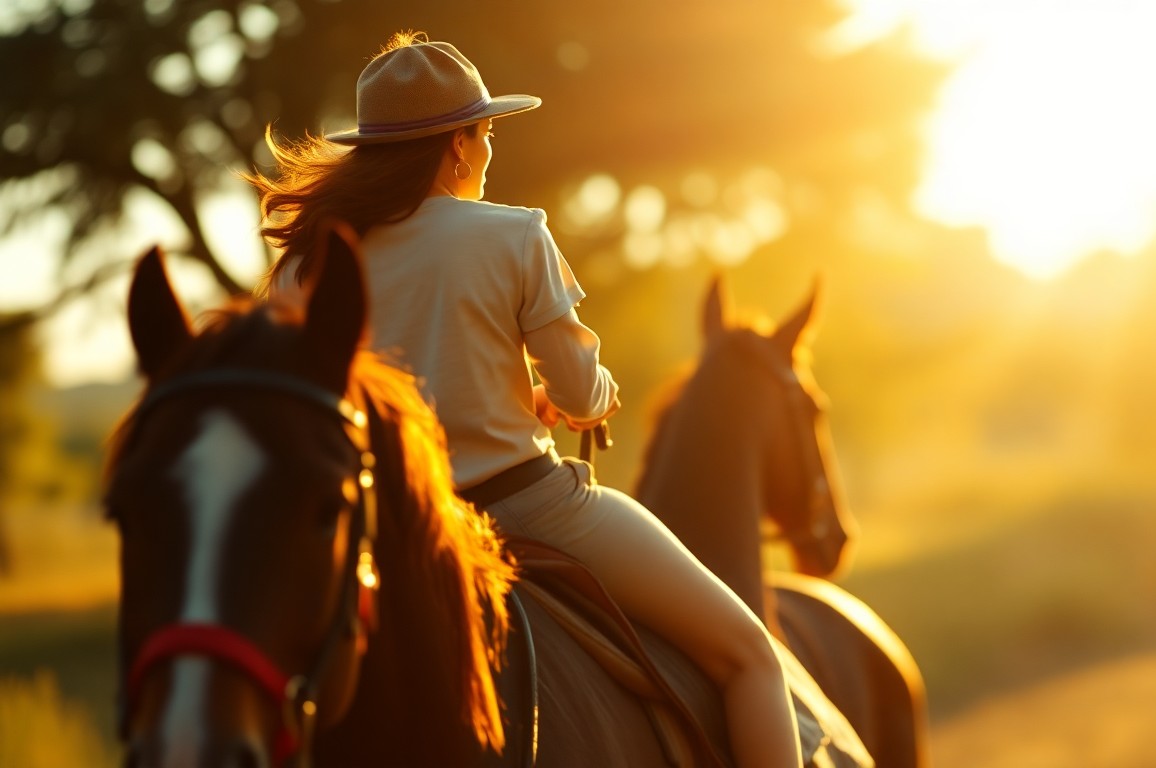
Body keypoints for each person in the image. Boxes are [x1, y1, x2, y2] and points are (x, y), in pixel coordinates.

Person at [250, 32, 802, 767]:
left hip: (391, 536)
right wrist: (584, 402)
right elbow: (579, 386)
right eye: (485, 135)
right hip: (530, 508)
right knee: (749, 657)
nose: (486, 152)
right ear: (458, 145)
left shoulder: (303, 262)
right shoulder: (512, 234)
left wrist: (514, 396)